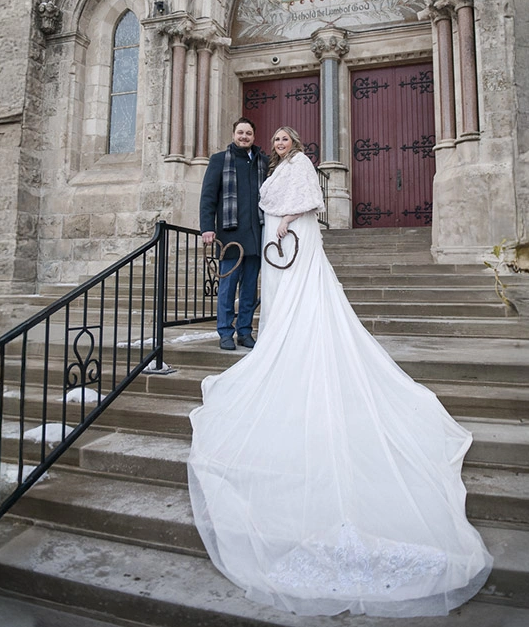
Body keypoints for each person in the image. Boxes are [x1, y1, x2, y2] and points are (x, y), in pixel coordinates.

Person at [187, 126, 493, 617]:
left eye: (285, 140)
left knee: (295, 300)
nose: (279, 144)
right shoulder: (258, 164)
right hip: (260, 240)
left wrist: (284, 221)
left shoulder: (300, 167)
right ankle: (246, 334)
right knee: (260, 297)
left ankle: (260, 336)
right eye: (276, 140)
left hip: (292, 238)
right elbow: (227, 197)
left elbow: (311, 204)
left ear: (297, 145)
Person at [199, 117, 268, 351]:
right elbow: (208, 197)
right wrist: (207, 227)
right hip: (230, 235)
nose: (244, 137)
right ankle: (225, 332)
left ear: (254, 136)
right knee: (227, 289)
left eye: (248, 133)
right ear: (233, 134)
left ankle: (245, 332)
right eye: (240, 132)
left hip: (256, 234)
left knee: (249, 288)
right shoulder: (219, 160)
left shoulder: (263, 162)